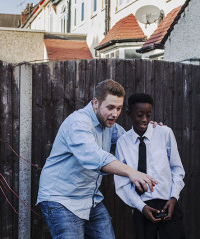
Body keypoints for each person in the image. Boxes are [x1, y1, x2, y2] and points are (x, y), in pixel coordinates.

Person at [37, 80, 158, 239]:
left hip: (90, 200)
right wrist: (131, 172)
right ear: (95, 103)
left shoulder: (110, 125)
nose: (115, 114)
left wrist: (148, 130)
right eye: (110, 107)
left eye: (119, 108)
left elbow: (128, 142)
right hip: (61, 200)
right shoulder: (79, 123)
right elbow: (94, 157)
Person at [114, 93, 186, 239]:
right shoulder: (123, 142)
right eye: (139, 115)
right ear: (129, 114)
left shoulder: (165, 133)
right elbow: (121, 183)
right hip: (142, 207)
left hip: (168, 204)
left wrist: (173, 198)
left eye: (148, 114)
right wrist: (141, 207)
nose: (144, 120)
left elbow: (177, 169)